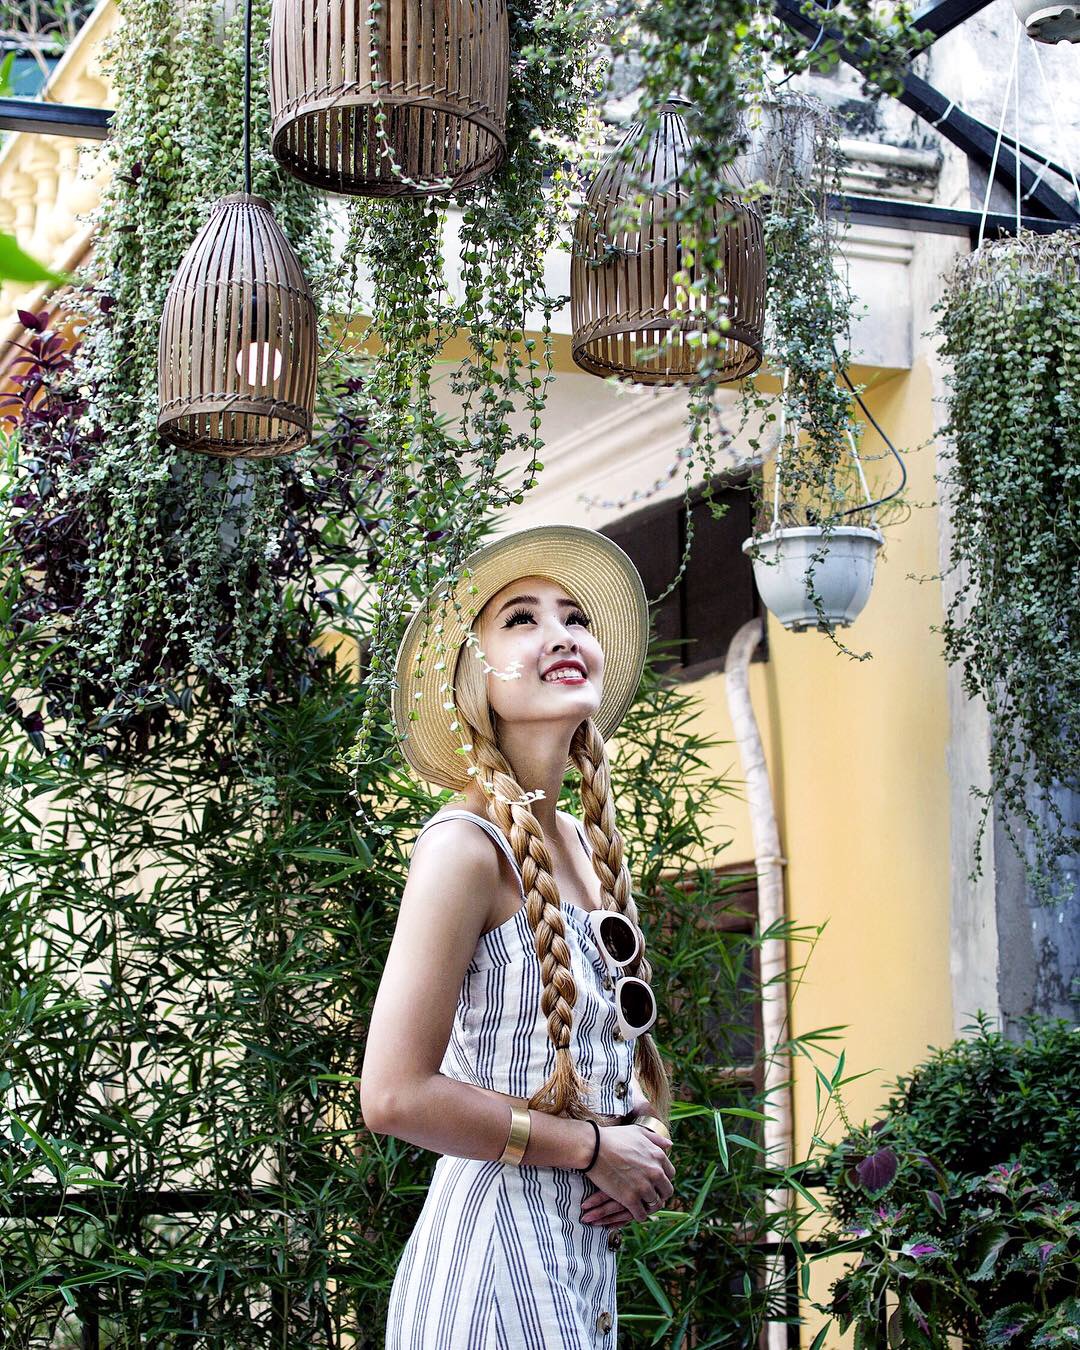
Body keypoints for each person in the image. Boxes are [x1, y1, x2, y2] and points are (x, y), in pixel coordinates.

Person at [361, 524, 676, 1349]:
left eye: (574, 617)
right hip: (487, 1283)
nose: (562, 635)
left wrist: (640, 1133)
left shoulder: (581, 841)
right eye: (523, 620)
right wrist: (588, 1148)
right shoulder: (463, 849)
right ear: (477, 674)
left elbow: (594, 1060)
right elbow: (392, 1095)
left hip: (576, 1274)